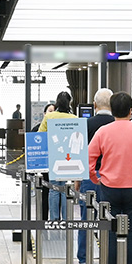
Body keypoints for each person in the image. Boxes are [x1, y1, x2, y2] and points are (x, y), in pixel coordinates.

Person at [88, 91, 132, 264]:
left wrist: (96, 179)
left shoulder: (103, 132)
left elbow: (89, 158)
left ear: (111, 110)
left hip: (109, 188)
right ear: (131, 110)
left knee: (111, 235)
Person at [75, 88, 114, 264]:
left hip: (89, 176)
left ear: (95, 104)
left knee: (86, 219)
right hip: (112, 177)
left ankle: (83, 261)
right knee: (110, 218)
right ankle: (111, 260)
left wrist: (77, 178)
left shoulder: (86, 124)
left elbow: (81, 154)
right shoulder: (117, 124)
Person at [39, 92, 76, 220]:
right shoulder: (75, 119)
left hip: (53, 157)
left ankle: (54, 219)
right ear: (69, 103)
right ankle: (66, 219)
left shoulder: (49, 117)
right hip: (69, 158)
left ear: (56, 103)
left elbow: (41, 135)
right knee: (66, 188)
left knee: (54, 188)